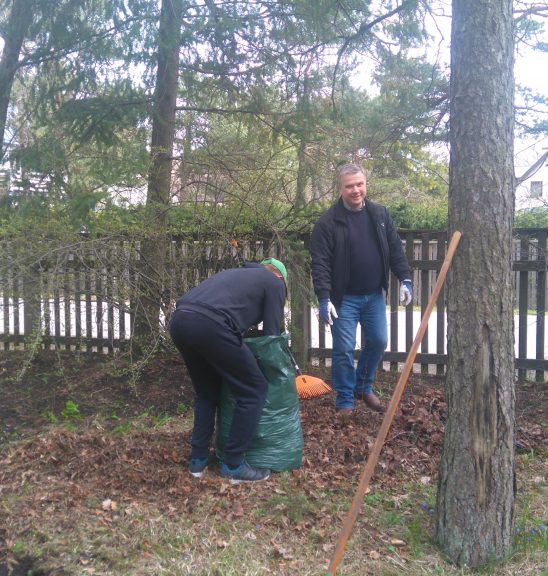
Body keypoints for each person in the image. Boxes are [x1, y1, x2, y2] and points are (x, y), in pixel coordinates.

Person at [168, 258, 288, 483]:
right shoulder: (275, 283)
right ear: (279, 276)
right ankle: (233, 465)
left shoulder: (239, 275)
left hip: (180, 321)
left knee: (207, 392)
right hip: (211, 325)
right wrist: (278, 373)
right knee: (254, 389)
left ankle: (198, 460)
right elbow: (271, 338)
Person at [310, 164, 413, 419]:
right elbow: (320, 263)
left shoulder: (379, 215)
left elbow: (395, 250)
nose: (355, 190)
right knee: (343, 348)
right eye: (349, 186)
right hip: (343, 299)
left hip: (373, 296)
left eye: (359, 184)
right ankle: (345, 400)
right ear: (341, 188)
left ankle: (363, 387)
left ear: (365, 184)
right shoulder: (328, 222)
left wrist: (406, 279)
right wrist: (324, 298)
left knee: (378, 341)